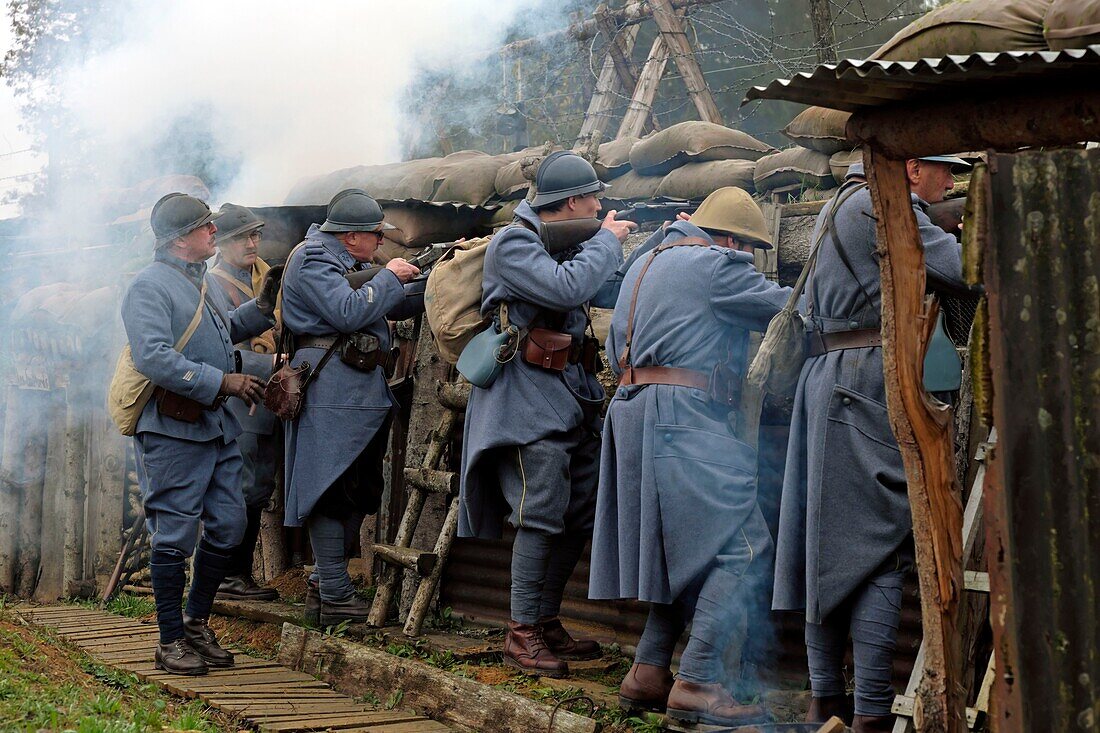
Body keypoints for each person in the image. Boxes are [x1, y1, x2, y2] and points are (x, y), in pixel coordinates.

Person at [773, 156, 969, 732]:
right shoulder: (883, 205)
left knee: (826, 545)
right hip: (866, 377)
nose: (951, 183)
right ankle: (871, 714)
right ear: (911, 168)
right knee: (878, 542)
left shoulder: (839, 203)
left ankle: (826, 700)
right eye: (944, 171)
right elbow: (962, 267)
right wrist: (964, 228)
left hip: (832, 377)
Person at [589, 187, 791, 726]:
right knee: (743, 546)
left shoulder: (642, 263)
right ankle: (698, 680)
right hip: (684, 415)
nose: (746, 258)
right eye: (745, 248)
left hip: (634, 411)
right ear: (728, 238)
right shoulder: (715, 265)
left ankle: (649, 672)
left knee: (687, 549)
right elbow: (789, 310)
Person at [458, 151, 636, 677]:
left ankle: (545, 617)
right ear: (573, 202)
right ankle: (521, 633)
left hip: (567, 396)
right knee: (539, 513)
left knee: (579, 510)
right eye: (594, 198)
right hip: (524, 401)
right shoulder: (514, 242)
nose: (600, 205)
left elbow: (596, 289)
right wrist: (606, 239)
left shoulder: (566, 243)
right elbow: (567, 288)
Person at [122, 192, 279, 675]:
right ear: (179, 239)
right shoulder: (149, 286)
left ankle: (195, 623)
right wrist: (222, 381)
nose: (215, 231)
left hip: (213, 429)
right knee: (172, 537)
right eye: (206, 227)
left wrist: (263, 305)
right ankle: (170, 640)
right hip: (173, 430)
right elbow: (152, 355)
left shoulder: (199, 282)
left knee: (230, 526)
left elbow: (217, 330)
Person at [280, 189, 424, 625]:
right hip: (330, 392)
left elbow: (387, 301)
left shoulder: (348, 263)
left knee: (356, 492)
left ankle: (325, 587)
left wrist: (434, 280)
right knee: (330, 490)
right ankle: (337, 594)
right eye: (377, 234)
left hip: (354, 394)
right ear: (350, 237)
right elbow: (347, 310)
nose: (382, 242)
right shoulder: (311, 259)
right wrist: (388, 278)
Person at [205, 204, 280, 602]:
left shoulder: (266, 275)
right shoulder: (210, 284)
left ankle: (237, 574)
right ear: (220, 242)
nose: (252, 243)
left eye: (255, 235)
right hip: (238, 398)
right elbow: (213, 347)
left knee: (258, 486)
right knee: (242, 487)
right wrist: (268, 362)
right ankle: (229, 576)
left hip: (272, 399)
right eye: (242, 237)